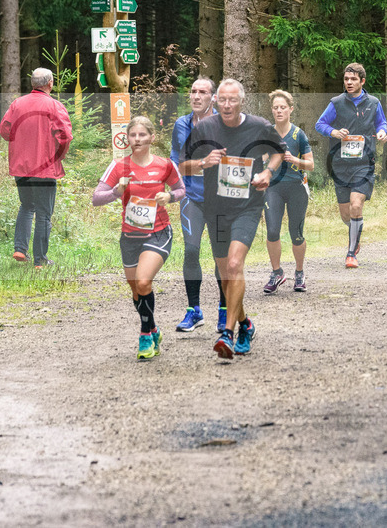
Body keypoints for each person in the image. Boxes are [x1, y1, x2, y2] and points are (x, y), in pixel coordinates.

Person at [182, 78, 285, 359]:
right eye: (223, 100)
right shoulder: (204, 128)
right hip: (216, 209)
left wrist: (267, 173)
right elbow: (182, 165)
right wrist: (204, 162)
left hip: (248, 207)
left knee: (235, 264)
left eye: (233, 100)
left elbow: (279, 153)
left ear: (242, 102)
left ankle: (227, 335)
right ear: (216, 102)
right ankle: (245, 324)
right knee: (227, 276)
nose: (227, 105)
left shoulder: (259, 126)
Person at [92, 116, 185, 360]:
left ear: (152, 138)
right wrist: (116, 191)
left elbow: (181, 189)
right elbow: (96, 198)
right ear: (127, 139)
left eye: (142, 135)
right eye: (133, 135)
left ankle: (144, 336)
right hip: (130, 235)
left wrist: (170, 197)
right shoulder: (119, 166)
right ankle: (153, 328)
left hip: (158, 232)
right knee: (136, 289)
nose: (137, 140)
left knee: (143, 282)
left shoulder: (165, 164)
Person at [0, 68, 73, 268]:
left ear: (33, 84)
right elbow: (65, 136)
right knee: (43, 213)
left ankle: (20, 250)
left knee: (26, 206)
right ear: (50, 83)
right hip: (45, 168)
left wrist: (21, 141)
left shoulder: (17, 104)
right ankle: (40, 260)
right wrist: (58, 156)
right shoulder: (55, 106)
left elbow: (4, 130)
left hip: (21, 167)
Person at [170, 77, 228, 332]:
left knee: (222, 257)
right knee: (191, 251)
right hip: (191, 197)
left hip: (221, 200)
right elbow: (177, 165)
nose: (196, 96)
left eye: (202, 92)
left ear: (213, 98)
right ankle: (194, 311)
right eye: (193, 91)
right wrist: (203, 163)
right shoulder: (181, 125)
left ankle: (225, 312)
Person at [315, 62, 387, 269]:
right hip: (340, 163)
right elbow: (320, 124)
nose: (349, 82)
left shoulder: (373, 102)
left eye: (353, 79)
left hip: (364, 162)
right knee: (346, 214)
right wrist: (334, 132)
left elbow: (381, 123)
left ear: (362, 81)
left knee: (356, 205)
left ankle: (350, 253)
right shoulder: (336, 102)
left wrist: (382, 132)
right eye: (346, 79)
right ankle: (356, 235)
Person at [262, 90, 314, 294]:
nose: (279, 110)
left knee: (296, 234)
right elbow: (259, 158)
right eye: (275, 107)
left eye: (283, 107)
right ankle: (277, 273)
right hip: (273, 188)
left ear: (291, 109)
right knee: (272, 230)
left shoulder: (298, 134)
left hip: (296, 188)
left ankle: (299, 273)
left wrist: (295, 160)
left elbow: (311, 164)